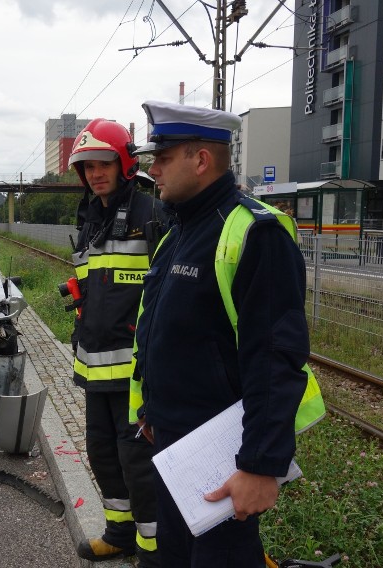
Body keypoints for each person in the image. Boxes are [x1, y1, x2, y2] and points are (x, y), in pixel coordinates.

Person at [130, 101, 313, 566]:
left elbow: (275, 357)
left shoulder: (256, 232)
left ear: (201, 160)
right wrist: (153, 410)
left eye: (163, 158)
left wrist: (260, 464)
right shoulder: (178, 234)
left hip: (223, 453)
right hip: (173, 443)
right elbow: (164, 331)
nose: (153, 170)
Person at [66, 118, 166, 567]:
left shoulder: (152, 213)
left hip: (135, 374)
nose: (95, 174)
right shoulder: (90, 219)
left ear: (123, 162)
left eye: (103, 163)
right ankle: (119, 534)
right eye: (87, 167)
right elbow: (91, 287)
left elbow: (169, 290)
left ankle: (154, 552)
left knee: (138, 465)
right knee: (103, 456)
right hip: (94, 370)